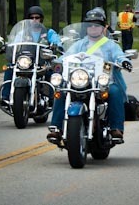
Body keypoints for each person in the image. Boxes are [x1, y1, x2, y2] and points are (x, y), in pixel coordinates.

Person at [47, 8, 133, 144]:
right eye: (90, 25)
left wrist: (124, 61)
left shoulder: (110, 45)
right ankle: (56, 128)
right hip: (80, 81)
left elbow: (119, 56)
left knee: (115, 91)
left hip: (103, 82)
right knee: (61, 91)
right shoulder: (80, 44)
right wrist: (55, 62)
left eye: (97, 25)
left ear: (103, 27)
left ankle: (116, 129)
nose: (93, 28)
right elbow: (66, 56)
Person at [0, 6, 62, 101]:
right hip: (26, 61)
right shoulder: (23, 33)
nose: (34, 20)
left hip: (42, 61)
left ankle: (52, 98)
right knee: (9, 68)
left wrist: (57, 45)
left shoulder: (48, 32)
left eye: (37, 17)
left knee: (51, 71)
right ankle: (5, 96)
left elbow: (57, 41)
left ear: (41, 19)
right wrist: (7, 46)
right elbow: (15, 43)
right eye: (31, 18)